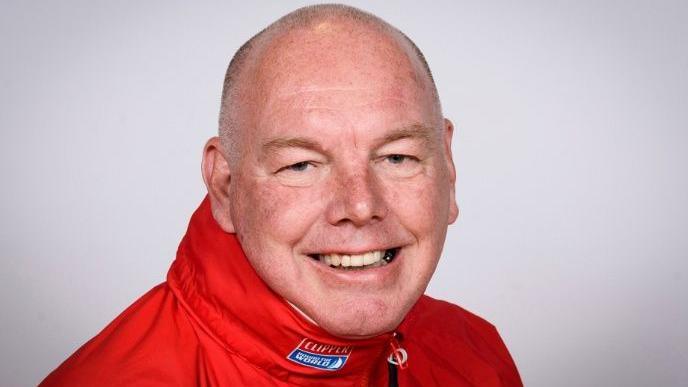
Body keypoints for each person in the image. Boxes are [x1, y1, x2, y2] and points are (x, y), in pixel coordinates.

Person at [41, 4, 522, 386]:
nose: (360, 206)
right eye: (301, 165)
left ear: (449, 169)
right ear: (225, 187)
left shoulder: (477, 356)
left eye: (397, 157)